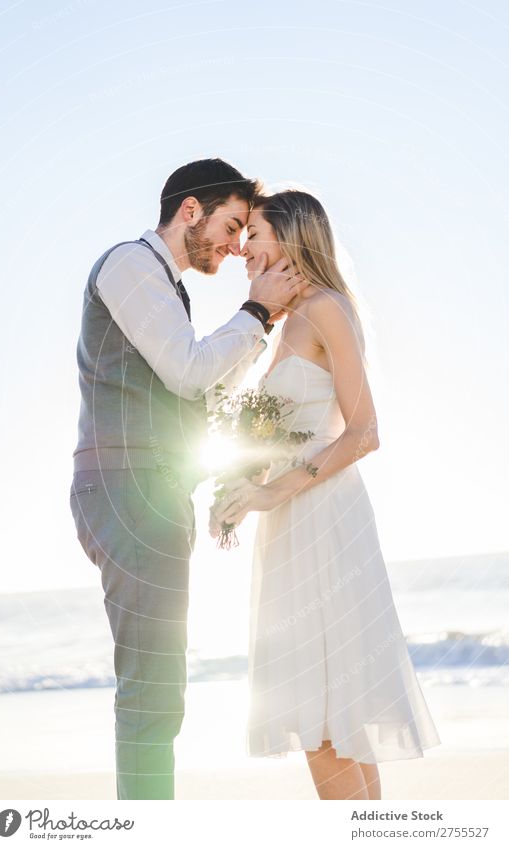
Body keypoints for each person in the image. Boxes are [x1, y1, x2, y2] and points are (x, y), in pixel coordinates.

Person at [69, 159, 306, 800]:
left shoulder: (163, 286)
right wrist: (255, 312)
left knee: (159, 685)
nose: (235, 246)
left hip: (146, 489)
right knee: (152, 688)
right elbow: (186, 371)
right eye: (232, 226)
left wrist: (261, 327)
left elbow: (198, 394)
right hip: (129, 487)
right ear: (191, 210)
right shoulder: (128, 264)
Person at [210, 189, 441, 800]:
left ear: (289, 239)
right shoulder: (286, 320)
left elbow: (364, 432)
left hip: (322, 519)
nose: (242, 248)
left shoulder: (326, 308)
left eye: (252, 233)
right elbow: (280, 433)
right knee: (326, 718)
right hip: (288, 522)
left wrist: (272, 492)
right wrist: (241, 490)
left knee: (327, 717)